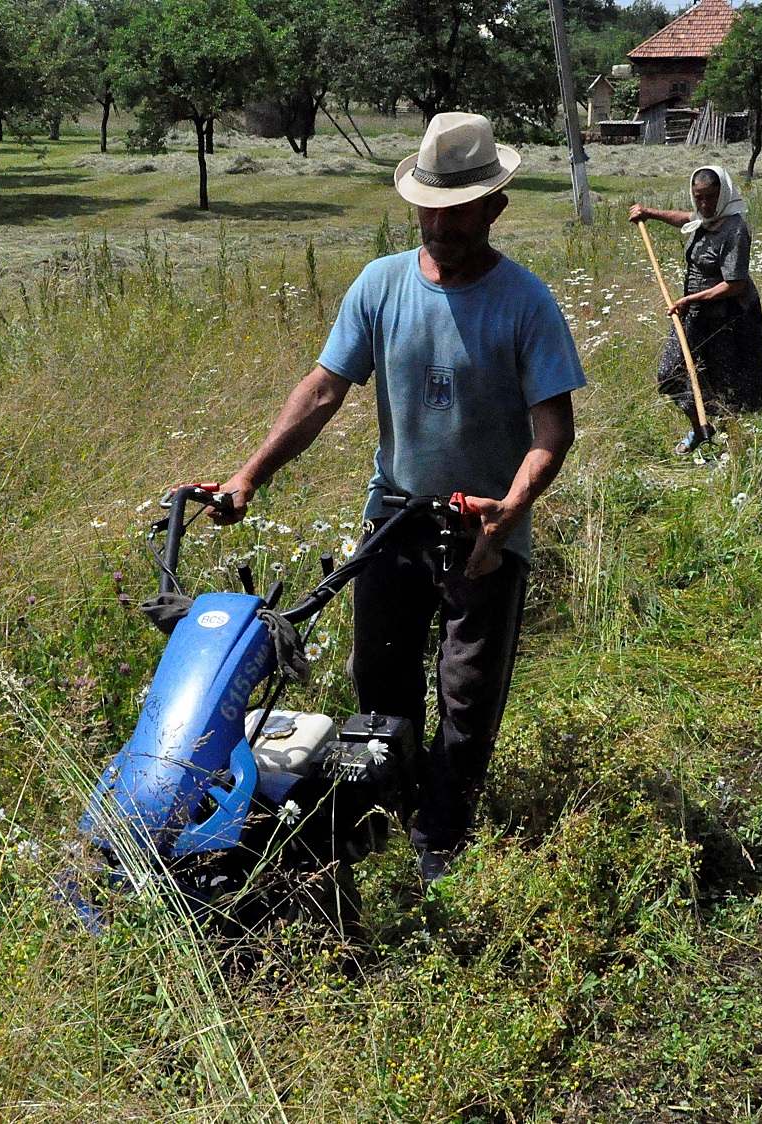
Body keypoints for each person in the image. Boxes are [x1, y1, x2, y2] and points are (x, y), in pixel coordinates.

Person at [209, 113, 586, 884]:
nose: (441, 224)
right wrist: (251, 474)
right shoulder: (380, 285)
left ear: (495, 208)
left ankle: (441, 847)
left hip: (484, 528)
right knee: (378, 683)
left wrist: (509, 512)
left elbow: (554, 428)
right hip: (396, 517)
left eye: (459, 208)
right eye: (430, 206)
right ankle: (386, 821)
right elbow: (321, 393)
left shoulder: (525, 302)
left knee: (467, 698)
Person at [628, 166, 762, 455]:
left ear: (724, 195)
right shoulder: (704, 219)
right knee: (671, 373)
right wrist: (650, 213)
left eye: (710, 198)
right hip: (695, 313)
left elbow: (734, 285)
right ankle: (700, 428)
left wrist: (690, 300)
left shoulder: (735, 229)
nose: (704, 205)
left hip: (731, 318)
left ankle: (732, 446)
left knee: (726, 382)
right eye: (698, 198)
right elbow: (687, 219)